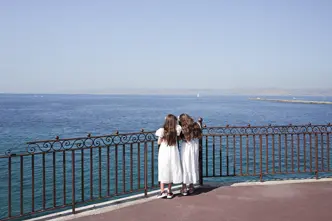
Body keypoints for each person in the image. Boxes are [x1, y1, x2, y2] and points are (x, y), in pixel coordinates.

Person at [155, 114, 182, 199]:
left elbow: (158, 142)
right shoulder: (176, 130)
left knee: (163, 170)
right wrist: (177, 120)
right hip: (173, 152)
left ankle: (162, 191)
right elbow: (178, 125)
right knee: (171, 170)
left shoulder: (162, 130)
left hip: (164, 151)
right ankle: (169, 191)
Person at [178, 113, 198, 195]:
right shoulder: (195, 125)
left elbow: (179, 137)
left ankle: (184, 187)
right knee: (193, 164)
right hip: (193, 145)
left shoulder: (182, 128)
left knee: (185, 165)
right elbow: (198, 135)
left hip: (186, 146)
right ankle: (191, 186)